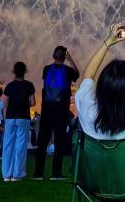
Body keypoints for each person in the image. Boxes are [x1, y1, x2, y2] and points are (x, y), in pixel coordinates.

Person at [34, 45, 80, 181]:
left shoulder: (46, 69)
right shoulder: (68, 70)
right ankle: (56, 173)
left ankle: (38, 173)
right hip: (61, 111)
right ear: (64, 57)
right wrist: (70, 60)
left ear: (53, 56)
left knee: (42, 142)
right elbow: (77, 74)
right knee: (59, 141)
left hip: (47, 109)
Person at [1, 63, 36, 182]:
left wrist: (6, 118)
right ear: (25, 71)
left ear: (14, 71)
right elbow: (33, 102)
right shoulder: (29, 85)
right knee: (20, 146)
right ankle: (17, 174)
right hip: (23, 117)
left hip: (10, 117)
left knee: (8, 145)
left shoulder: (9, 86)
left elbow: (5, 104)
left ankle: (6, 174)